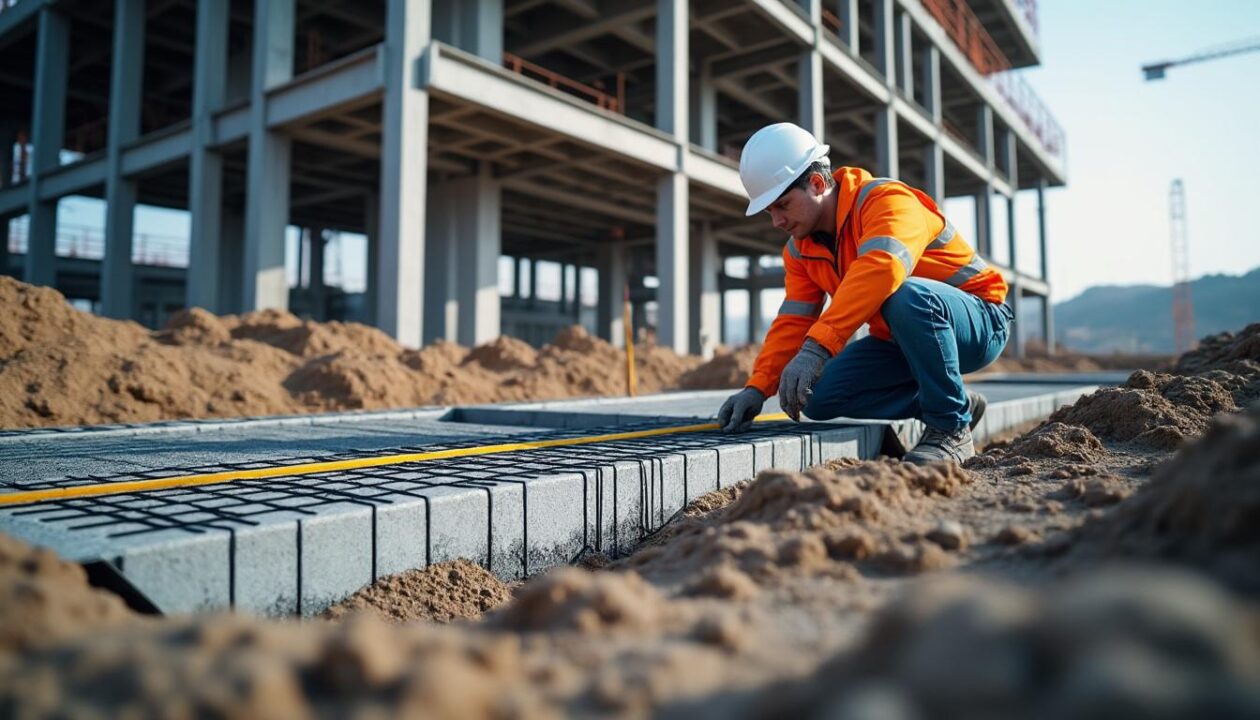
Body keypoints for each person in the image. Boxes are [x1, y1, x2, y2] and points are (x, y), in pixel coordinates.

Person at [715, 122, 1013, 464]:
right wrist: (758, 386)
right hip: (900, 340)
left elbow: (881, 268)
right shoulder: (799, 251)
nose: (776, 221)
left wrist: (817, 348)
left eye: (782, 205)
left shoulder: (887, 201)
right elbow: (793, 319)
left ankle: (950, 427)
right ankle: (952, 401)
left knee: (905, 294)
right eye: (770, 212)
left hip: (980, 322)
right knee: (815, 396)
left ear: (816, 183)